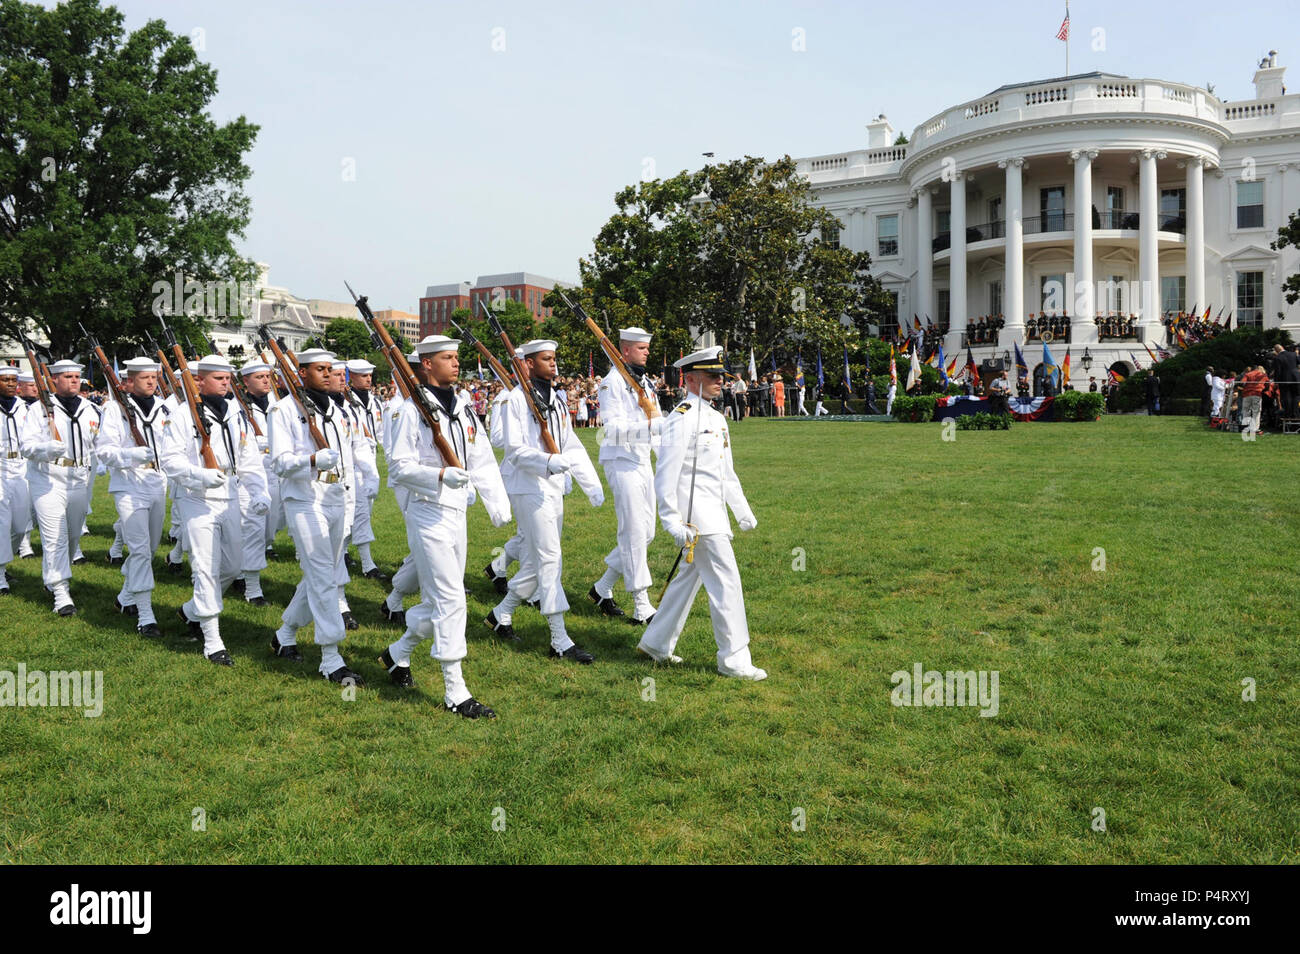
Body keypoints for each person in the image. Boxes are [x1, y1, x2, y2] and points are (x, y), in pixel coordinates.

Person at [380, 334, 511, 718]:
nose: (456, 363)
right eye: (447, 358)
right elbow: (399, 468)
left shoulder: (465, 407)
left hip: (456, 513)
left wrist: (496, 504)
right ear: (426, 365)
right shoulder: (409, 411)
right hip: (427, 512)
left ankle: (396, 654)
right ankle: (456, 690)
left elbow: (482, 456)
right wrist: (438, 475)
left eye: (456, 357)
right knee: (453, 601)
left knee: (440, 600)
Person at [636, 347, 766, 680]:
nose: (719, 382)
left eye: (720, 377)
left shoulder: (715, 417)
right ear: (691, 379)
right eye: (712, 377)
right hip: (697, 519)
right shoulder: (681, 417)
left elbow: (726, 473)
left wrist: (742, 510)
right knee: (726, 583)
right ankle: (733, 657)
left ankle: (655, 642)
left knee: (687, 581)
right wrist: (671, 519)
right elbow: (665, 472)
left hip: (714, 514)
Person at [485, 339, 604, 662]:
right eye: (545, 359)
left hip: (551, 486)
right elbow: (513, 449)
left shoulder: (557, 399)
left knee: (540, 560)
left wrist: (589, 482)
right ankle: (559, 639)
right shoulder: (515, 400)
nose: (553, 364)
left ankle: (500, 614)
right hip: (526, 484)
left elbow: (571, 444)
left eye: (554, 358)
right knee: (550, 558)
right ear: (528, 363)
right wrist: (548, 462)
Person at [157, 354, 268, 664]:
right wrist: (199, 474)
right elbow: (170, 460)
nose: (226, 383)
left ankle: (191, 610)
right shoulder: (181, 414)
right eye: (219, 378)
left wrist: (260, 491)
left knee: (233, 568)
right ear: (200, 380)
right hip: (197, 499)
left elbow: (248, 456)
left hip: (230, 494)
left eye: (228, 378)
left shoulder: (234, 411)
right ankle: (212, 640)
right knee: (205, 568)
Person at [266, 348, 367, 681]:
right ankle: (331, 656)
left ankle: (284, 635)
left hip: (336, 495)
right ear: (301, 373)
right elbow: (279, 462)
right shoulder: (282, 410)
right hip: (304, 498)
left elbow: (347, 460)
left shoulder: (337, 409)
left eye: (330, 369)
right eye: (319, 369)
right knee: (325, 576)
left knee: (321, 574)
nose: (327, 374)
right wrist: (309, 461)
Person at [19, 358, 100, 615]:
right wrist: (45, 449)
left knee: (73, 535)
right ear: (53, 380)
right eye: (67, 377)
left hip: (78, 478)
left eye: (76, 377)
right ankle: (61, 593)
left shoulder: (89, 408)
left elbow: (97, 442)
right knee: (54, 537)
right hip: (48, 477)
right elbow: (26, 447)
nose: (74, 381)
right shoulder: (39, 409)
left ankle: (53, 578)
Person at [591, 327, 661, 625]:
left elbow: (657, 423)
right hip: (621, 461)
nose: (647, 352)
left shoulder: (644, 383)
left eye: (647, 348)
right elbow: (613, 428)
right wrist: (649, 429)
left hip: (642, 460)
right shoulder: (612, 383)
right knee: (632, 531)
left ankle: (602, 588)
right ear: (626, 350)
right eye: (642, 348)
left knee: (647, 532)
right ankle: (641, 603)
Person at [96, 357, 170, 637]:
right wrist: (129, 455)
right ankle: (146, 616)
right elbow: (103, 450)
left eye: (153, 377)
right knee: (139, 550)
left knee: (149, 550)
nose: (151, 382)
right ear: (130, 380)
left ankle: (125, 598)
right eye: (144, 378)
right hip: (128, 486)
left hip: (156, 484)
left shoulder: (164, 408)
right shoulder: (115, 409)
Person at [346, 358, 384, 578]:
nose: (368, 379)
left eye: (370, 375)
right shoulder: (346, 401)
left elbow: (380, 432)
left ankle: (341, 552)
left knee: (363, 511)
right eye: (363, 376)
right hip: (353, 464)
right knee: (360, 513)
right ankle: (368, 565)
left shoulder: (375, 402)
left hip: (370, 461)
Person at [0, 366, 30, 591]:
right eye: (5, 380)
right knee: (2, 523)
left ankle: (3, 561)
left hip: (20, 468)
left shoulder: (24, 408)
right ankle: (0, 573)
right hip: (0, 469)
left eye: (14, 380)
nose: (11, 384)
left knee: (20, 527)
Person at [1238, 364, 1271, 436]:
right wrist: (1263, 390)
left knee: (1246, 411)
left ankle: (1246, 427)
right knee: (1256, 412)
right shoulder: (1262, 375)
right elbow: (1268, 384)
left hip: (1246, 394)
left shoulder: (1248, 374)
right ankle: (1255, 429)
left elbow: (1242, 383)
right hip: (1257, 394)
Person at [1272, 346, 1299, 419]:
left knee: (1286, 397)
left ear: (1276, 350)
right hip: (1296, 379)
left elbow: (1278, 371)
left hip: (1285, 379)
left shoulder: (1277, 358)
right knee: (1296, 396)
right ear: (1282, 347)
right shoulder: (1293, 354)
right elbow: (1298, 361)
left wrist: (1276, 382)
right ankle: (1296, 414)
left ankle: (1288, 414)